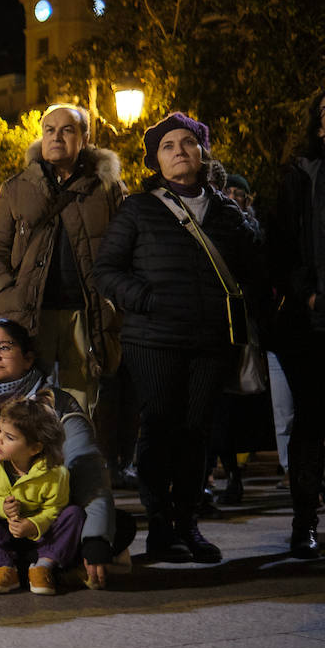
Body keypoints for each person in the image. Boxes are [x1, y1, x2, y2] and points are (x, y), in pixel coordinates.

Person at [93, 112, 261, 563]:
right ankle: (161, 525)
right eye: (168, 146)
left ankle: (189, 523)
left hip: (210, 340)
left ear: (203, 153)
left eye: (188, 142)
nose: (179, 150)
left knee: (196, 432)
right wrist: (145, 298)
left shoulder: (227, 212)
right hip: (154, 338)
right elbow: (105, 271)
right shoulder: (140, 209)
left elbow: (253, 268)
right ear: (156, 161)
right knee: (160, 426)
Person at [0, 319, 128, 589]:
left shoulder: (58, 404)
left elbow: (89, 474)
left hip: (48, 524)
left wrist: (95, 541)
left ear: (28, 359)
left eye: (4, 347)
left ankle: (44, 565)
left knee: (112, 526)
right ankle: (16, 567)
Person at [0, 104, 125, 417]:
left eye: (67, 130)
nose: (56, 137)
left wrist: (114, 297)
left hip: (86, 314)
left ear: (84, 138)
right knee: (29, 407)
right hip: (32, 315)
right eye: (49, 130)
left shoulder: (107, 189)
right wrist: (8, 295)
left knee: (83, 406)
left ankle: (78, 464)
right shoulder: (16, 188)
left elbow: (125, 249)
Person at [268, 84, 325, 558]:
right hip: (319, 324)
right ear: (319, 126)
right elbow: (281, 243)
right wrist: (309, 295)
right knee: (312, 424)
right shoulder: (302, 174)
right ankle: (304, 524)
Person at [0, 392, 85, 596]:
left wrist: (33, 525)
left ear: (34, 448)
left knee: (74, 514)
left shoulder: (55, 473)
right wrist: (3, 509)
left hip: (41, 537)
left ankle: (43, 566)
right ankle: (3, 566)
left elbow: (54, 509)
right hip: (6, 532)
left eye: (9, 437)